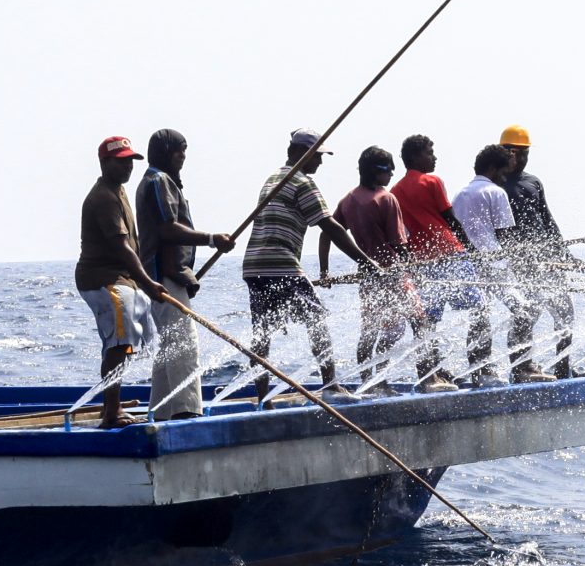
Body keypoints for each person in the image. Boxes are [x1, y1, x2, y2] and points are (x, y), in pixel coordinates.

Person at [240, 128, 380, 404]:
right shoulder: (302, 182)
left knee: (262, 333)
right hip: (280, 263)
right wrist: (368, 262)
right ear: (299, 153)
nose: (320, 162)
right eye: (316, 156)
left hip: (254, 265)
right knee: (317, 320)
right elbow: (331, 227)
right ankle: (331, 386)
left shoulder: (274, 178)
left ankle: (263, 399)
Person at [325, 146, 454, 394]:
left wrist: (324, 271)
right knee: (420, 322)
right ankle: (428, 379)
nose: (393, 174)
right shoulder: (386, 198)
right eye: (389, 170)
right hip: (393, 274)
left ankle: (370, 383)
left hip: (368, 278)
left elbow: (327, 234)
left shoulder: (348, 200)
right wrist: (414, 271)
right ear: (377, 171)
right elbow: (399, 243)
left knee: (371, 330)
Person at [134, 129, 236, 418]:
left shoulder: (160, 181)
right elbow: (167, 229)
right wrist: (211, 239)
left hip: (165, 277)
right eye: (179, 150)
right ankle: (186, 412)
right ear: (165, 152)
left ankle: (162, 411)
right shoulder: (158, 181)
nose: (183, 156)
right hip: (164, 276)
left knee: (170, 345)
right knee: (184, 343)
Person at [75, 136, 171, 429]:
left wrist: (143, 283)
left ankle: (111, 406)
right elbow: (122, 248)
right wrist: (148, 282)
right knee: (119, 343)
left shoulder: (119, 191)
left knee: (134, 339)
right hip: (103, 279)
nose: (128, 166)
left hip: (124, 279)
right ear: (104, 162)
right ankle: (111, 413)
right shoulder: (103, 197)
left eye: (130, 161)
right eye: (121, 161)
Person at [496, 124, 577, 380]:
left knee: (564, 312)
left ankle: (563, 367)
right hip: (519, 263)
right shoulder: (496, 186)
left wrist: (564, 254)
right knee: (527, 314)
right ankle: (521, 368)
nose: (521, 158)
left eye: (525, 153)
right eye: (515, 152)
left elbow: (548, 221)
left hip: (546, 259)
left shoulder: (533, 182)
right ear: (504, 152)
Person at [388, 134, 484, 351]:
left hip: (422, 261)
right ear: (414, 157)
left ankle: (431, 363)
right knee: (479, 308)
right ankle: (480, 362)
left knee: (429, 319)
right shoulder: (432, 181)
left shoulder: (394, 192)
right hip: (450, 254)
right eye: (429, 153)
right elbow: (451, 220)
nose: (434, 158)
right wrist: (472, 250)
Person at [450, 143, 532, 384]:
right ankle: (522, 368)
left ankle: (480, 372)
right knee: (523, 311)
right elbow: (505, 235)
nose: (505, 177)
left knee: (480, 316)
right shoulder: (496, 192)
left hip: (469, 265)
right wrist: (519, 262)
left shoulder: (460, 194)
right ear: (493, 169)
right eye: (504, 171)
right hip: (495, 265)